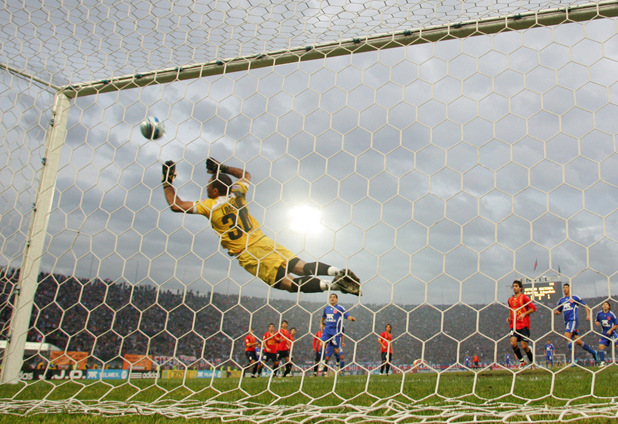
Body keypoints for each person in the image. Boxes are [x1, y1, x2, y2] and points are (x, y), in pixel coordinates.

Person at [162, 159, 361, 296]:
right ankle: (337, 271)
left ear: (214, 191)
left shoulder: (210, 206)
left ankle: (334, 286)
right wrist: (223, 167)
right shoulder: (237, 192)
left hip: (249, 253)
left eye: (208, 186)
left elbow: (175, 205)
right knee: (301, 266)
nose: (206, 188)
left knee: (287, 283)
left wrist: (167, 181)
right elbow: (246, 174)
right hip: (264, 240)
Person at [555, 283, 598, 365]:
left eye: (566, 287)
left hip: (573, 320)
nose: (565, 289)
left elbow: (585, 305)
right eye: (564, 288)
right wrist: (557, 312)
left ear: (569, 289)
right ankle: (593, 352)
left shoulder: (574, 297)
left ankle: (574, 360)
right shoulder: (562, 300)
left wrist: (588, 315)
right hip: (567, 322)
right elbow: (559, 311)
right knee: (578, 342)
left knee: (566, 336)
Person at [319, 293, 356, 375]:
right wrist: (321, 324)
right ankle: (322, 361)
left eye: (334, 297)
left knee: (336, 351)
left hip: (335, 331)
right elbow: (323, 316)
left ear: (337, 299)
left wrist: (351, 318)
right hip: (327, 330)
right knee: (321, 344)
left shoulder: (340, 308)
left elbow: (346, 315)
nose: (332, 298)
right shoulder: (326, 308)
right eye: (331, 297)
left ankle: (338, 363)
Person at [507, 280, 536, 369]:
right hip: (514, 325)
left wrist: (524, 314)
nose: (514, 288)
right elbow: (511, 309)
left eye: (516, 286)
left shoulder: (524, 298)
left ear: (520, 288)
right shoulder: (510, 300)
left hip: (524, 325)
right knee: (513, 343)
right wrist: (509, 317)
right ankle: (521, 361)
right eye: (513, 286)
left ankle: (532, 363)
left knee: (524, 346)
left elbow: (533, 308)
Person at [595, 301, 618, 366]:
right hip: (604, 333)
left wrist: (610, 330)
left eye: (606, 304)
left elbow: (616, 324)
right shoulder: (599, 314)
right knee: (601, 346)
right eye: (603, 304)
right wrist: (597, 323)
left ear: (609, 307)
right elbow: (596, 320)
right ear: (602, 306)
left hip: (612, 333)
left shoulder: (611, 314)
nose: (605, 305)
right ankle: (602, 362)